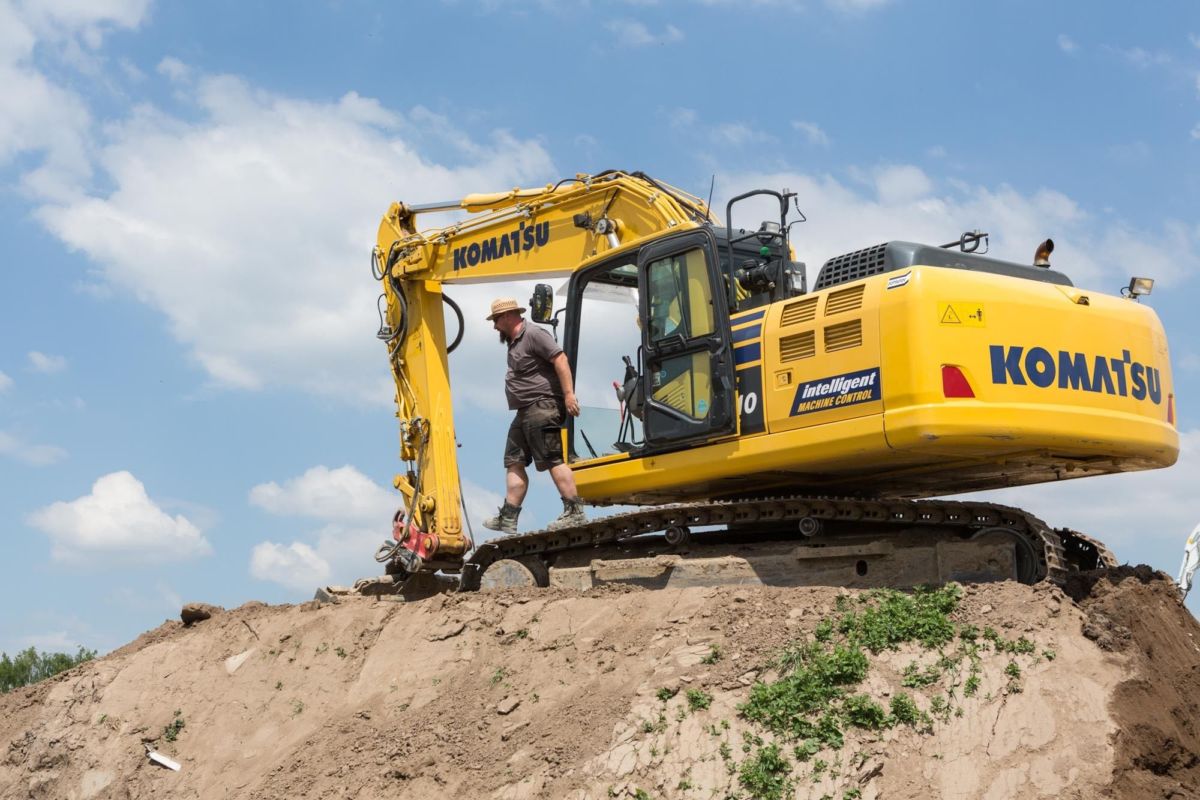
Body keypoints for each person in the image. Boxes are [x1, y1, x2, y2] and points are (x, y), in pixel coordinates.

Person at [482, 297, 586, 534]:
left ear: (509, 316)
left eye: (496, 320)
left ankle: (575, 512)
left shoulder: (534, 334)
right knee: (513, 460)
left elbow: (560, 359)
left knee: (551, 458)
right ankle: (508, 516)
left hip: (542, 406)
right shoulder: (515, 342)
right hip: (524, 411)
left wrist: (569, 395)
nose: (494, 326)